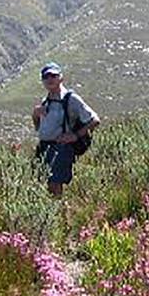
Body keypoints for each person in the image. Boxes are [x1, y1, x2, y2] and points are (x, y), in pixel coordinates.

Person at [32, 62, 100, 196]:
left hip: (60, 147)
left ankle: (57, 212)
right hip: (44, 148)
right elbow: (38, 128)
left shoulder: (71, 99)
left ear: (61, 78)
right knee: (43, 183)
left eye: (53, 75)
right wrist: (35, 114)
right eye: (46, 77)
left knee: (55, 184)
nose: (50, 79)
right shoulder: (45, 101)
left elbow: (95, 120)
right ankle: (53, 212)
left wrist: (75, 135)